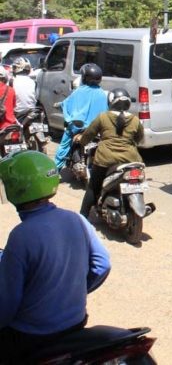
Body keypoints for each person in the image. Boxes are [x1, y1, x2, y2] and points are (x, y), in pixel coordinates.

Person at [0, 151, 111, 361]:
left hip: (32, 334)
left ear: (16, 188)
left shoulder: (21, 236)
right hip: (76, 322)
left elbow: (7, 302)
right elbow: (102, 265)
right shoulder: (76, 219)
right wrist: (69, 292)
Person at [77, 88, 144, 219]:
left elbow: (89, 134)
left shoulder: (103, 117)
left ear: (111, 101)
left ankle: (83, 217)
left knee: (93, 187)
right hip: (131, 159)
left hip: (105, 159)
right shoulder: (135, 120)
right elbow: (139, 138)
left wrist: (81, 141)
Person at [53, 63, 108, 171]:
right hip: (97, 128)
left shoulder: (79, 91)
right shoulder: (102, 93)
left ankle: (55, 170)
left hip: (79, 127)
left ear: (84, 77)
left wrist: (59, 105)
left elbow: (67, 104)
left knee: (64, 146)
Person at [11, 58, 36, 122]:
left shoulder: (13, 82)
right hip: (33, 111)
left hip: (19, 113)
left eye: (14, 67)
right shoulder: (33, 81)